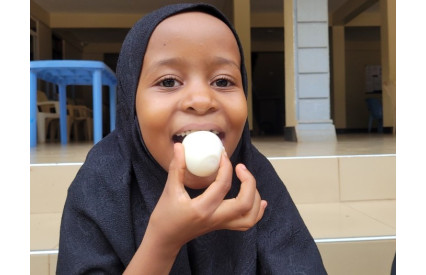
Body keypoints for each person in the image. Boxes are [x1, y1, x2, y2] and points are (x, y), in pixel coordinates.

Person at [57, 3, 327, 274]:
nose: (201, 101)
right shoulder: (100, 184)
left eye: (222, 81)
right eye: (168, 82)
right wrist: (163, 241)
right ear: (131, 103)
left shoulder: (255, 177)